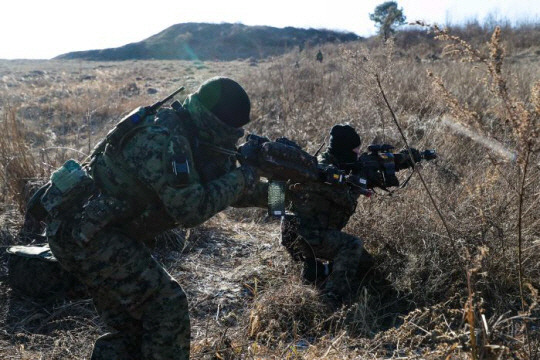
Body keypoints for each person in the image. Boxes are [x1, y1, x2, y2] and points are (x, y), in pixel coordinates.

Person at [36, 77, 266, 359]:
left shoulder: (194, 134)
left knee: (135, 330)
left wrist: (283, 195)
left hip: (95, 231)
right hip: (85, 235)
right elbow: (191, 208)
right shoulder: (165, 139)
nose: (236, 137)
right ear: (214, 122)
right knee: (166, 307)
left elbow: (230, 190)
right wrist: (245, 175)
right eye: (231, 129)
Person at [281, 124, 366, 303]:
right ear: (344, 151)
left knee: (366, 263)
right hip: (307, 236)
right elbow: (347, 204)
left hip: (295, 232)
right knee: (352, 246)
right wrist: (357, 186)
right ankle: (332, 298)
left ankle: (316, 270)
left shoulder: (320, 163)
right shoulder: (327, 176)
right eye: (356, 151)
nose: (358, 155)